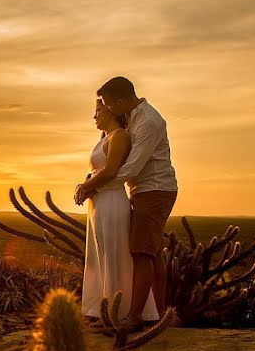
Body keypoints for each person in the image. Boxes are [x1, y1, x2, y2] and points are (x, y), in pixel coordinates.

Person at [76, 77, 179, 331]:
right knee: (152, 250)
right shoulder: (130, 118)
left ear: (121, 101)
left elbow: (131, 167)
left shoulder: (148, 122)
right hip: (141, 190)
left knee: (141, 250)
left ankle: (134, 318)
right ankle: (158, 313)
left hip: (155, 189)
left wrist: (93, 185)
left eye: (109, 105)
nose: (107, 109)